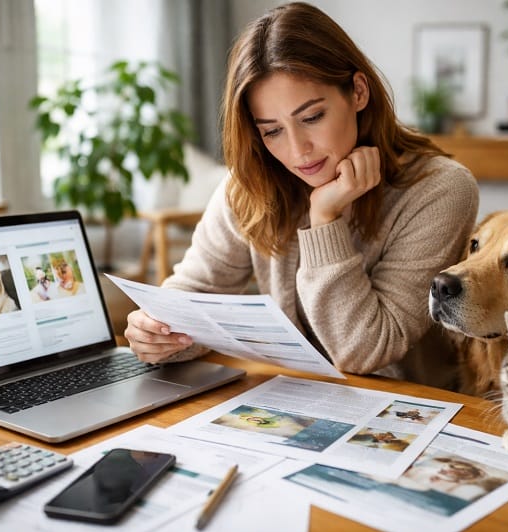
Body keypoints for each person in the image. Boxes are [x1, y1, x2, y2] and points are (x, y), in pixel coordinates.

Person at [124, 2, 478, 388]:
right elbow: (195, 291)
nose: (298, 151)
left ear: (358, 92)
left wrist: (324, 219)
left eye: (311, 118)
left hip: (409, 411)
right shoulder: (252, 183)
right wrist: (157, 332)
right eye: (272, 130)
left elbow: (364, 352)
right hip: (290, 396)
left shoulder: (440, 189)